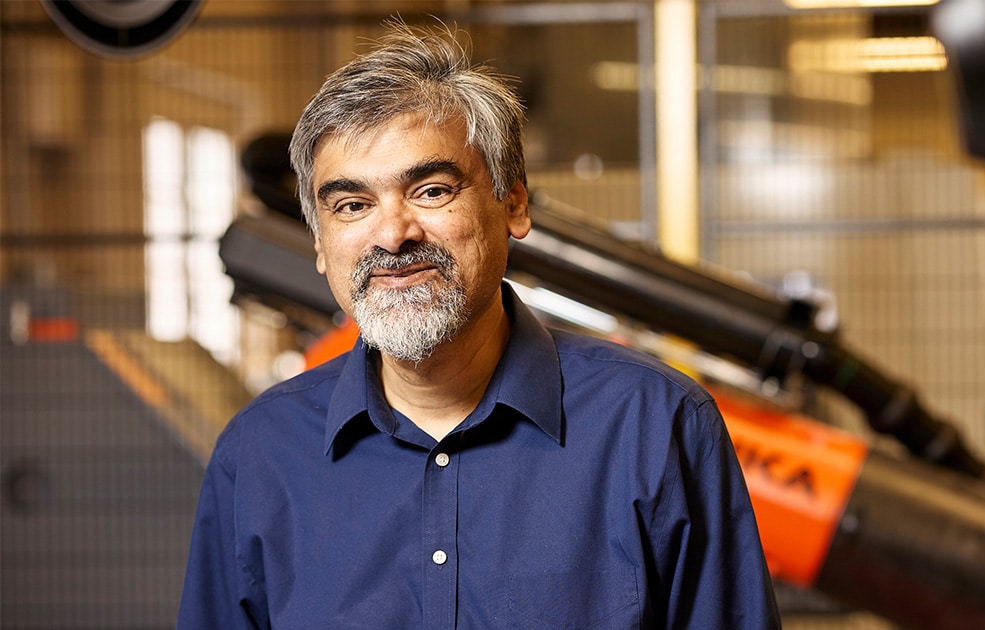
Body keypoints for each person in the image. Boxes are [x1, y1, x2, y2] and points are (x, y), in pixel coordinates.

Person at [177, 20, 780, 629]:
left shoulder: (655, 427)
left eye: (432, 190)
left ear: (513, 203)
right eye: (353, 205)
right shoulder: (259, 454)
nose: (392, 234)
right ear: (319, 242)